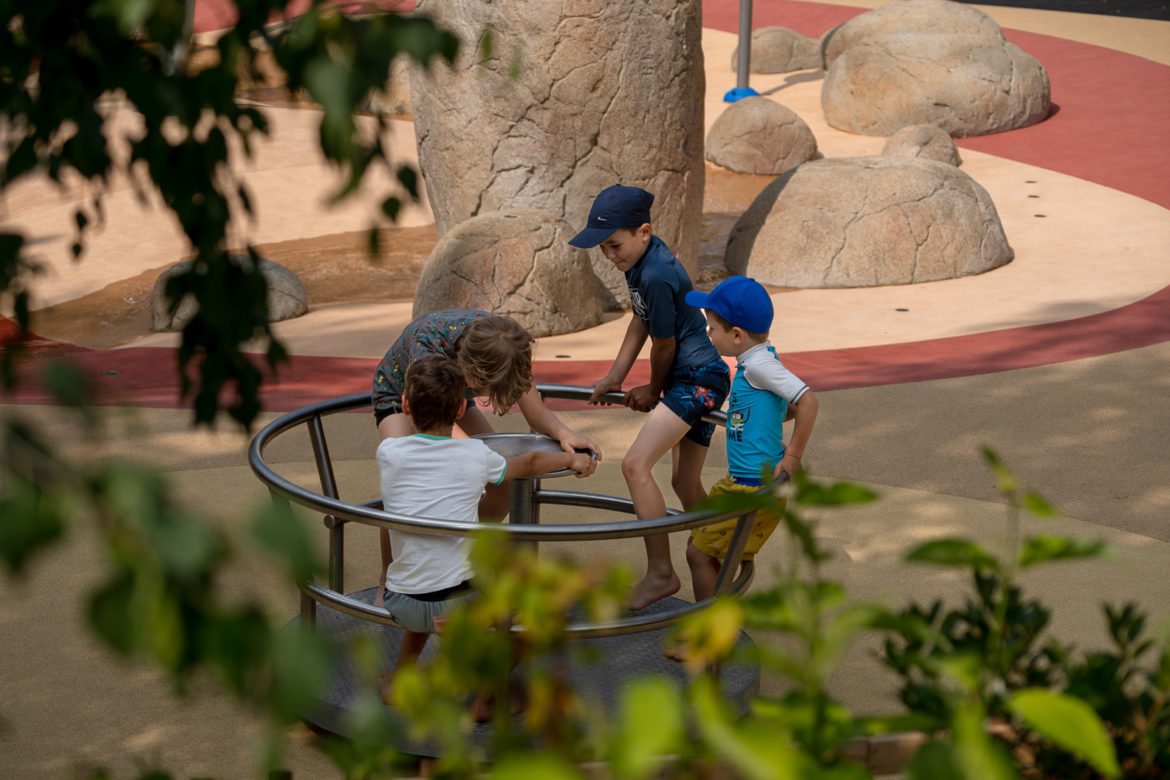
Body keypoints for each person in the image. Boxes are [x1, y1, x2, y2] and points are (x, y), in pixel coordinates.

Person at [376, 354, 596, 703]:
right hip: (461, 604)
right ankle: (486, 696)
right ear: (461, 411)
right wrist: (573, 458)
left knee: (430, 577)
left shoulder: (388, 452)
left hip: (401, 600)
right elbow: (530, 462)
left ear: (404, 404)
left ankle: (399, 676)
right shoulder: (475, 456)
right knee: (543, 606)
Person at [569, 184, 731, 610]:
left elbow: (664, 344)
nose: (610, 256)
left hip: (695, 378)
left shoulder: (656, 272)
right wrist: (616, 376)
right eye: (604, 248)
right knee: (682, 481)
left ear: (644, 231)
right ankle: (715, 547)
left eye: (614, 245)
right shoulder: (641, 262)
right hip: (699, 376)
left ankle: (661, 572)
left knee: (635, 464)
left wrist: (652, 390)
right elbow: (640, 322)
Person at [371, 309, 601, 603]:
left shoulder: (506, 346)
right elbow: (430, 413)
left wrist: (565, 434)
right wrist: (472, 456)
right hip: (404, 399)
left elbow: (536, 411)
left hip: (453, 401)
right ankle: (389, 577)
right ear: (471, 370)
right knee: (407, 481)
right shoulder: (428, 345)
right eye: (487, 389)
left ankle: (456, 559)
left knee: (498, 483)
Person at [682, 275, 819, 602]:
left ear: (737, 335)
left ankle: (707, 636)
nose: (708, 334)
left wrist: (793, 456)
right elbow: (783, 406)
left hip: (751, 488)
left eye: (712, 328)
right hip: (743, 483)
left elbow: (808, 401)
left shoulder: (759, 365)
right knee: (708, 551)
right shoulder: (758, 360)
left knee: (698, 555)